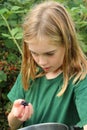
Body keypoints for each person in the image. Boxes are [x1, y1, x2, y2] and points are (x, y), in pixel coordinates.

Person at [7, 1, 87, 130]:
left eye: (49, 53)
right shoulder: (30, 71)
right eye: (34, 53)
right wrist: (17, 116)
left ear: (67, 44)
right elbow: (12, 125)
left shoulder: (81, 76)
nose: (42, 61)